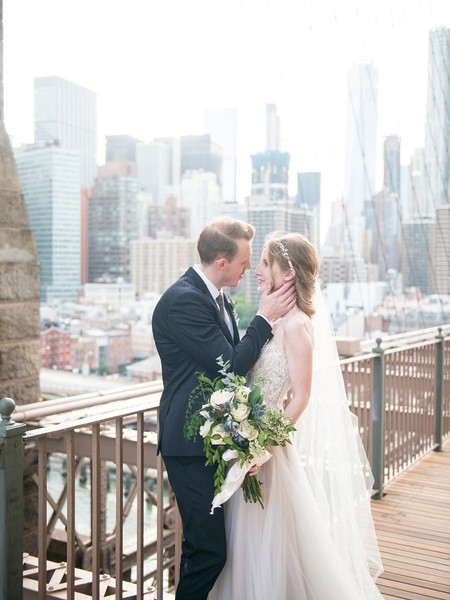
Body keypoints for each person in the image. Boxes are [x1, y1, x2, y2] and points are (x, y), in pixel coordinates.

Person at [208, 232, 384, 600]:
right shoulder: (275, 319)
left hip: (266, 454)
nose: (256, 270)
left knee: (267, 547)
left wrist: (260, 448)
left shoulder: (298, 326)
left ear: (287, 274)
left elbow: (300, 398)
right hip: (249, 447)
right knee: (245, 546)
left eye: (265, 263)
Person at [151, 217, 297, 600]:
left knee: (206, 547)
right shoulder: (184, 301)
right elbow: (230, 364)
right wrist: (264, 319)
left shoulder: (212, 295)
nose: (249, 269)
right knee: (209, 552)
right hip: (189, 444)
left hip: (213, 440)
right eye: (245, 261)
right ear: (221, 262)